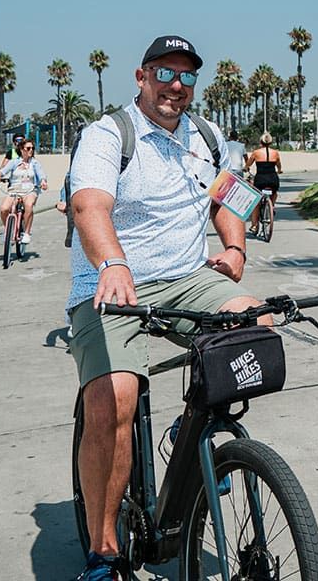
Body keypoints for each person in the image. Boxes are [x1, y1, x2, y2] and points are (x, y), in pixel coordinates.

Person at [67, 35, 264, 581]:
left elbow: (228, 198)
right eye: (165, 73)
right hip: (111, 285)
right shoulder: (109, 134)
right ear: (141, 77)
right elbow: (89, 205)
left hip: (186, 279)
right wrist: (113, 263)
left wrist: (235, 248)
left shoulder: (207, 136)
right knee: (115, 399)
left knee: (257, 323)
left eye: (187, 76)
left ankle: (188, 430)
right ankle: (105, 552)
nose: (176, 85)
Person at [0, 138, 47, 243]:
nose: (31, 150)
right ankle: (8, 230)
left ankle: (26, 233)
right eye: (28, 148)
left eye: (32, 148)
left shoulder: (34, 163)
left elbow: (41, 174)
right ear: (21, 149)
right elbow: (3, 171)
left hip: (30, 190)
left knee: (29, 205)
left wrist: (43, 182)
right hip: (14, 190)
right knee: (4, 209)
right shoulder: (14, 162)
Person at [246, 132, 283, 234]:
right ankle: (272, 206)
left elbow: (248, 164)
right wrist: (279, 170)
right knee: (274, 193)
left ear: (260, 142)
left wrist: (246, 168)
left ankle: (254, 225)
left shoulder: (256, 153)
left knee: (256, 202)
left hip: (260, 179)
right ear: (271, 142)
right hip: (273, 179)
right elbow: (279, 165)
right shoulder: (275, 153)